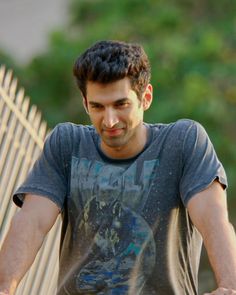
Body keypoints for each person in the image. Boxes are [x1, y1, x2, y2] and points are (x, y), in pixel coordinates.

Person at [0, 40, 236, 295]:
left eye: (120, 104)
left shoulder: (183, 142)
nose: (109, 120)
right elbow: (32, 221)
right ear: (84, 103)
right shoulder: (66, 143)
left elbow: (213, 219)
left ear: (145, 98)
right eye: (97, 107)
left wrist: (230, 286)